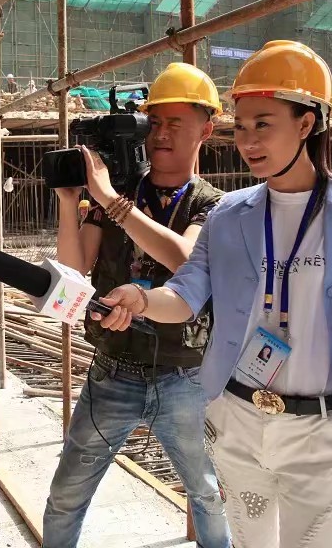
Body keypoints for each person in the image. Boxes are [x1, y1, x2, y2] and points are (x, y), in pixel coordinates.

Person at [95, 41, 332, 548]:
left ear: (306, 123)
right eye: (241, 127)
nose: (248, 141)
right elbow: (186, 293)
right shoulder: (229, 214)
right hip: (239, 422)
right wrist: (141, 297)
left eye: (263, 124)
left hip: (325, 432)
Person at [43, 63, 232, 548]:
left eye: (176, 124)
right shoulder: (118, 196)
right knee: (67, 493)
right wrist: (70, 200)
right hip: (114, 371)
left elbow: (184, 256)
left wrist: (111, 199)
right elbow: (74, 267)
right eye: (155, 122)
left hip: (185, 376)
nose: (161, 134)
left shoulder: (214, 205)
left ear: (206, 130)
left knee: (208, 493)